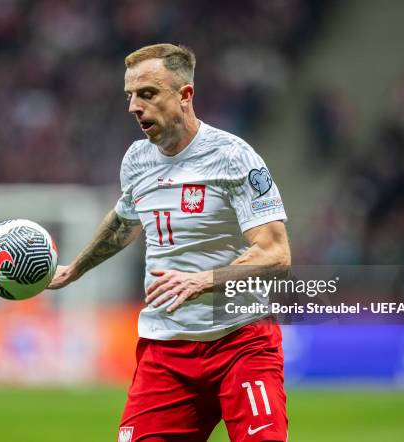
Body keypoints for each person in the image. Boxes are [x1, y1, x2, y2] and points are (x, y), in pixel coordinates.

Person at [49, 43, 291, 442]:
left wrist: (201, 280)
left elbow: (276, 254)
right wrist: (75, 269)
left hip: (241, 342)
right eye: (129, 95)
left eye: (147, 94)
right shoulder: (137, 160)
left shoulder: (233, 157)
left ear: (185, 95)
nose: (133, 106)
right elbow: (123, 222)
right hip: (166, 350)